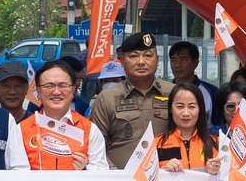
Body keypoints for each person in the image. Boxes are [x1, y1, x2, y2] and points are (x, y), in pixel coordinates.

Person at [89, 32, 173, 168]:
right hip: (118, 177)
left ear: (157, 60)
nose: (141, 62)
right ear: (122, 61)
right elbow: (95, 145)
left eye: (148, 55)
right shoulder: (106, 98)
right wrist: (115, 173)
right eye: (133, 56)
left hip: (168, 175)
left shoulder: (174, 93)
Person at [19, 61, 104, 169]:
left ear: (73, 90)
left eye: (63, 85)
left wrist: (85, 169)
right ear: (39, 91)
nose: (56, 92)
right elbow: (16, 170)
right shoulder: (22, 130)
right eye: (49, 86)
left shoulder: (90, 129)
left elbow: (102, 170)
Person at [155, 85, 217, 171]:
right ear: (170, 109)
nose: (186, 113)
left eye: (191, 107)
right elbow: (144, 175)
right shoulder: (156, 144)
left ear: (200, 109)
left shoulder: (217, 143)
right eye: (180, 106)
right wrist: (162, 171)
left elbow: (231, 173)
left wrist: (218, 172)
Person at [167, 42, 218, 120]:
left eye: (183, 59)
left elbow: (219, 124)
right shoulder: (164, 91)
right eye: (173, 60)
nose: (177, 65)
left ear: (195, 63)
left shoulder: (212, 92)